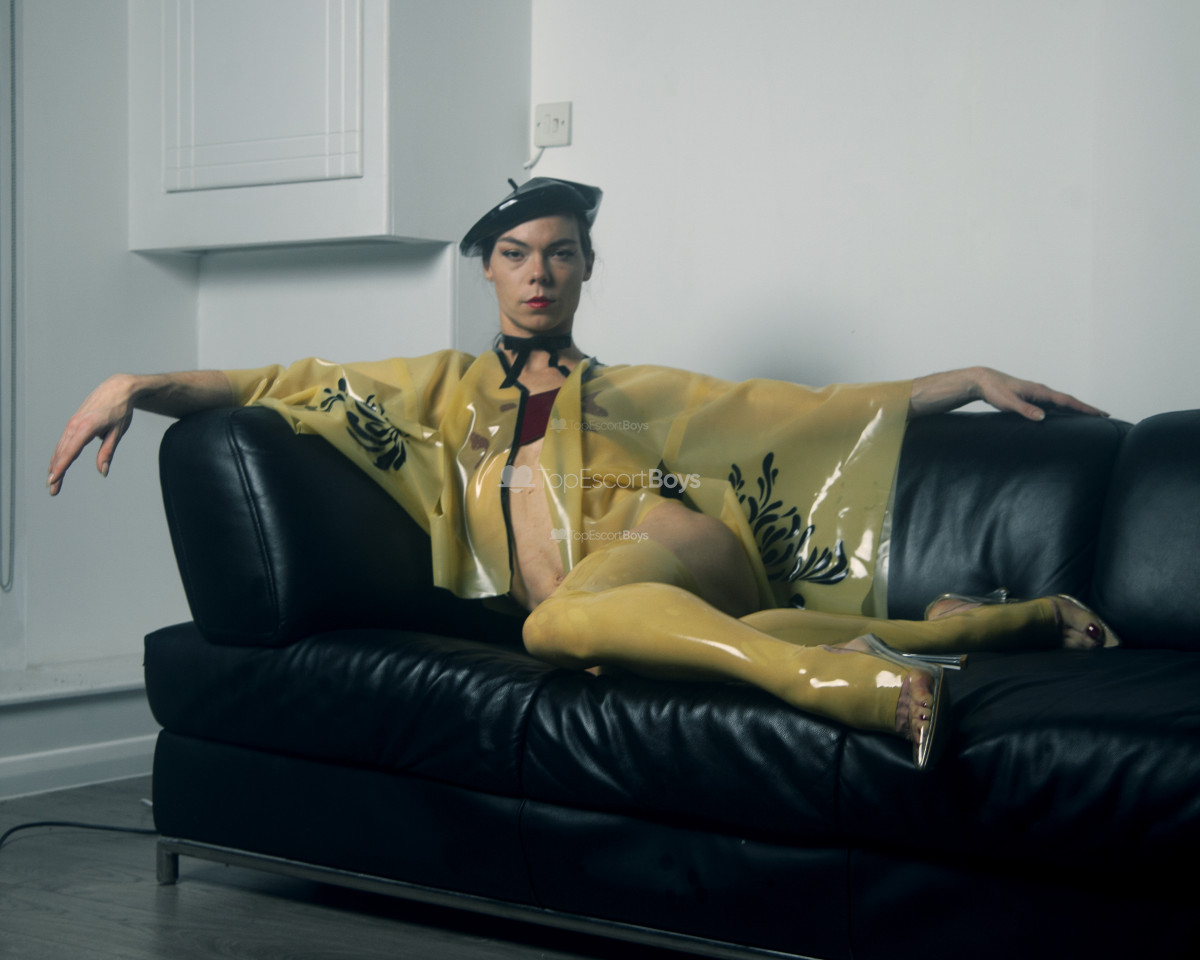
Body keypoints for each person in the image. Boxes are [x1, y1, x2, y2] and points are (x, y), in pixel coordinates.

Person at [48, 178, 1115, 769]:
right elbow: (282, 382)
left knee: (557, 627)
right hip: (627, 614)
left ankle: (838, 683)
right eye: (518, 253)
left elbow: (805, 410)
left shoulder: (632, 391)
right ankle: (994, 626)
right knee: (608, 631)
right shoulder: (441, 389)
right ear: (488, 269)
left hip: (671, 547)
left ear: (585, 269)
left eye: (560, 253)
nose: (539, 273)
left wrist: (965, 379)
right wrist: (137, 381)